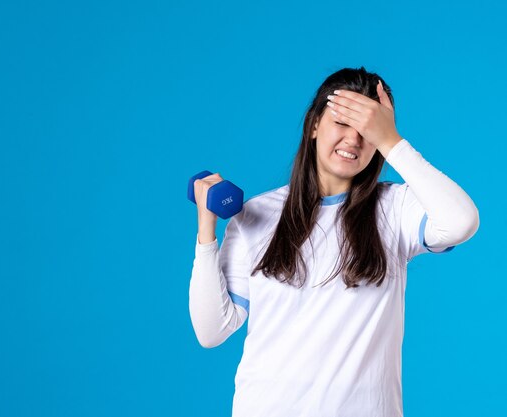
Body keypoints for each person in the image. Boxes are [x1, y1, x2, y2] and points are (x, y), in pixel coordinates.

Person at [188, 67, 480, 417]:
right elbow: (212, 330)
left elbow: (461, 222)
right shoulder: (256, 215)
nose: (353, 140)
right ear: (314, 126)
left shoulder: (397, 208)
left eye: (367, 131)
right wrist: (207, 230)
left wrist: (392, 142)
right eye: (342, 123)